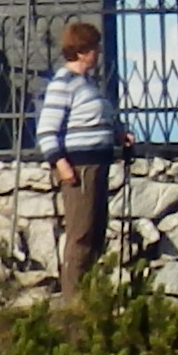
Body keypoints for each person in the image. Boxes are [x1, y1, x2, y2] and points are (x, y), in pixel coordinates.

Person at [34, 17, 130, 290]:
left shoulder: (87, 85)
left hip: (98, 164)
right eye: (94, 48)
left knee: (96, 232)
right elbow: (47, 129)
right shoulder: (63, 84)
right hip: (80, 167)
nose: (98, 53)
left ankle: (90, 293)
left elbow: (99, 117)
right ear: (82, 51)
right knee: (81, 234)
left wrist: (119, 134)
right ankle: (73, 300)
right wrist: (60, 163)